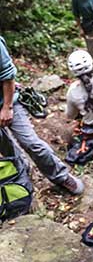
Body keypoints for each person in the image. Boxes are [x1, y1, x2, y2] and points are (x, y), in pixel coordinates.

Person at [0, 34, 84, 195]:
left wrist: (7, 107)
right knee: (6, 148)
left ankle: (61, 176)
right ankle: (22, 174)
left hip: (8, 101)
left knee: (31, 142)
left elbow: (8, 75)